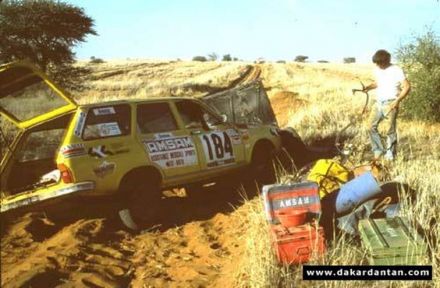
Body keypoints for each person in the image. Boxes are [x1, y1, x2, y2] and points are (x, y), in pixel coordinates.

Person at [363, 49, 411, 161]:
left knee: (390, 130)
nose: (377, 65)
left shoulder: (396, 70)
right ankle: (378, 151)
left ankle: (390, 155)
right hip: (378, 102)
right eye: (376, 63)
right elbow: (378, 83)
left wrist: (397, 101)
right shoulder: (377, 70)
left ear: (385, 60)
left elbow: (407, 87)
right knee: (370, 126)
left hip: (391, 103)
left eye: (379, 63)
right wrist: (368, 87)